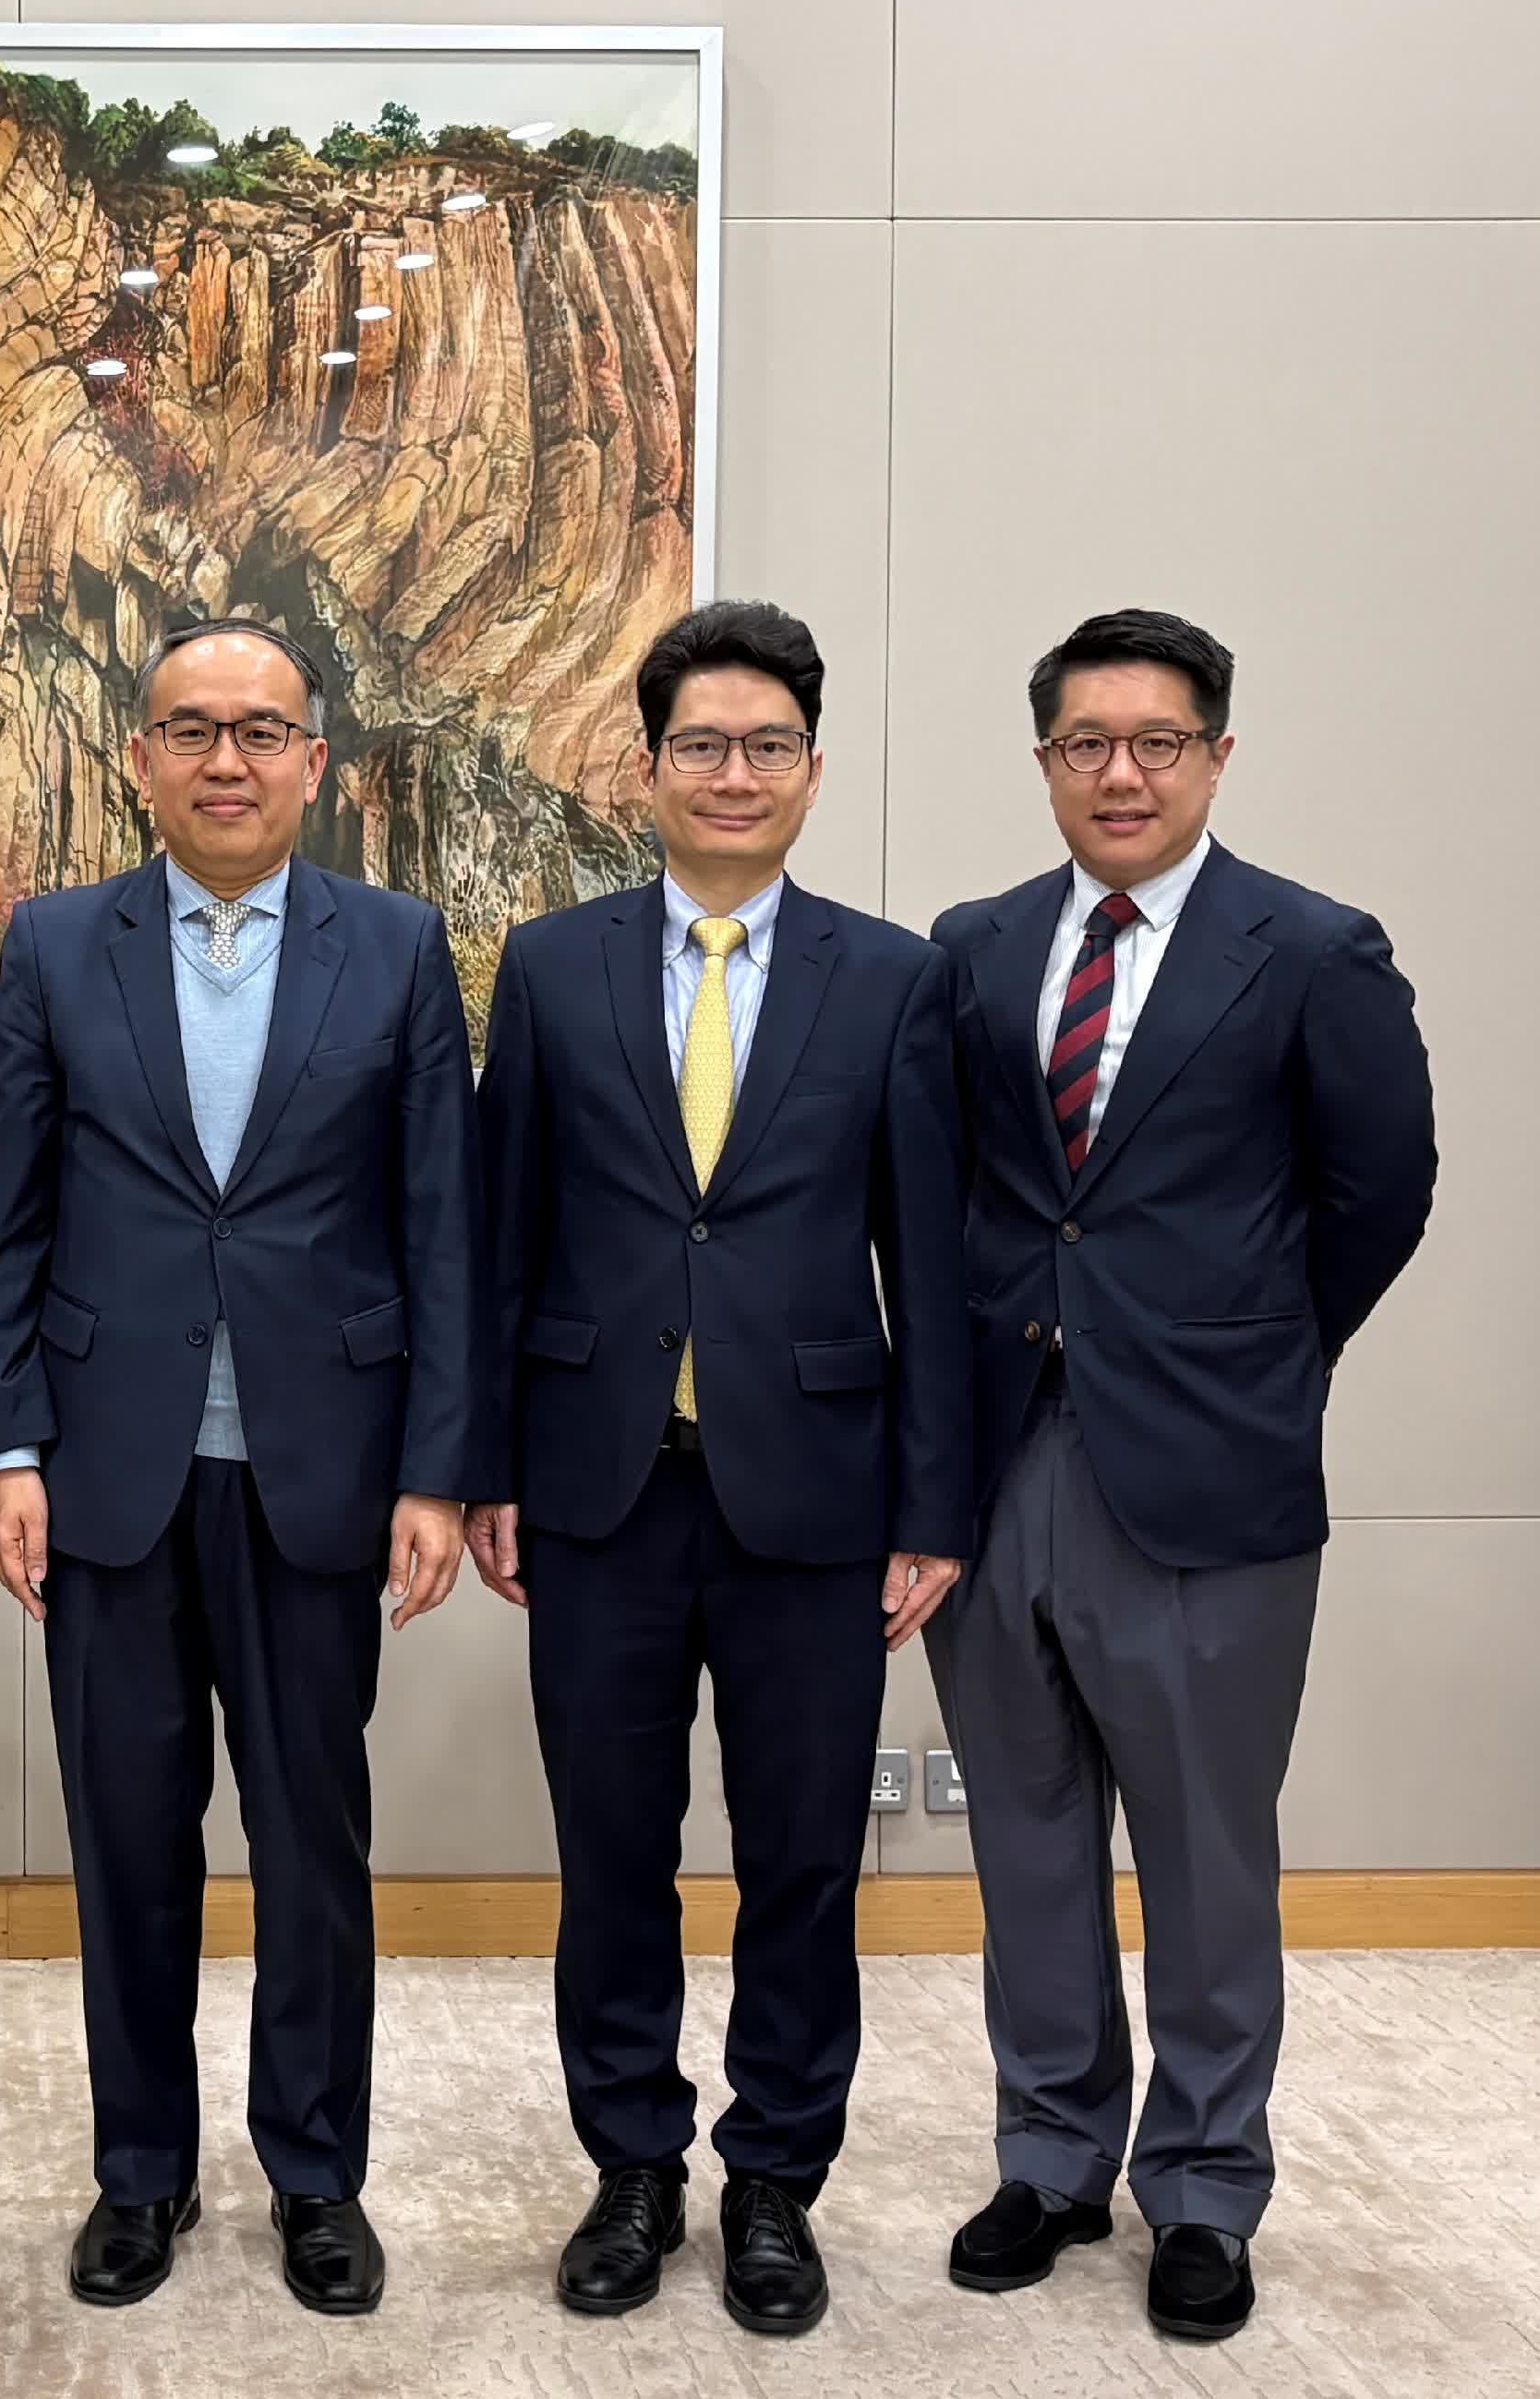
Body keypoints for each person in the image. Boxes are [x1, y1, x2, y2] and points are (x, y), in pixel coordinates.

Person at [0, 616, 481, 2318]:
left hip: (321, 1469)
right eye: (191, 727)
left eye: (261, 729)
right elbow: (2, 1220)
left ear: (314, 761)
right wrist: (6, 1443)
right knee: (129, 1841)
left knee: (312, 1843)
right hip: (107, 1472)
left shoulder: (398, 947)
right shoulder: (56, 944)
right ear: (142, 760)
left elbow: (441, 1227)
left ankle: (316, 2174)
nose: (227, 758)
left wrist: (435, 1470)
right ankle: (141, 2172)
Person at [925, 609, 1435, 2341]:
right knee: (1026, 1829)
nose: (1122, 773)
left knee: (1209, 1849)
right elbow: (953, 1195)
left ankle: (1207, 2183)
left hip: (1210, 1469)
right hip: (1002, 1454)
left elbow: (1381, 1191)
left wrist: (1259, 1355)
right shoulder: (979, 948)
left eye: (1158, 741)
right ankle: (1054, 2152)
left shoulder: (1312, 949)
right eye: (1087, 743)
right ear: (1047, 762)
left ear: (1218, 755)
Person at [463, 601, 969, 2337]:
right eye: (701, 744)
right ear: (649, 766)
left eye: (766, 746)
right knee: (610, 1849)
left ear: (812, 771)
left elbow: (929, 1265)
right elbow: (502, 1237)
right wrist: (482, 1465)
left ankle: (773, 2179)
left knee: (803, 1857)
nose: (732, 773)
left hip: (816, 1492)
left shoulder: (894, 980)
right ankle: (632, 2164)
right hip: (596, 1485)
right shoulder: (552, 966)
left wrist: (934, 1502)